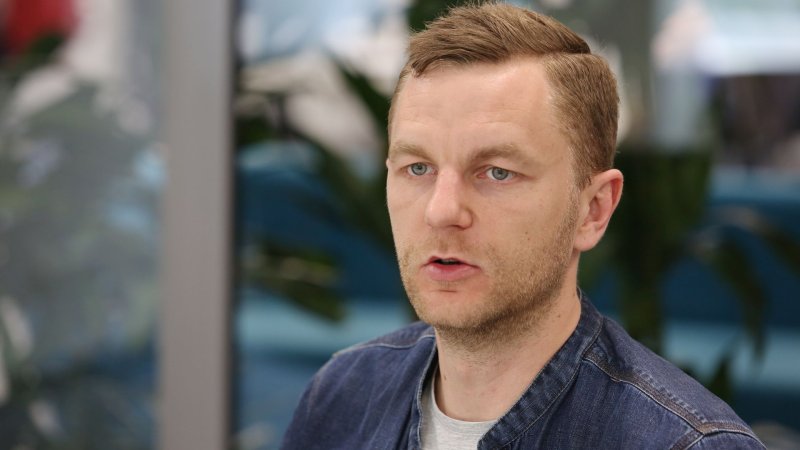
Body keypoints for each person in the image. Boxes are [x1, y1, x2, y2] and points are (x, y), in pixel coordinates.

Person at [282, 3, 764, 449]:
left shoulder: (685, 444)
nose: (441, 211)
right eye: (418, 168)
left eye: (497, 172)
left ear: (593, 209)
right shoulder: (343, 398)